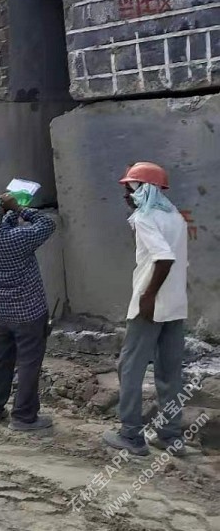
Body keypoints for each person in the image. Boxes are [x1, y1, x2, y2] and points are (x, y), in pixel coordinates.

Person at [103, 162, 189, 457]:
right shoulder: (175, 217)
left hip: (150, 306)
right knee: (169, 372)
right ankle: (170, 435)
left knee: (129, 367)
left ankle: (131, 435)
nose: (126, 195)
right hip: (176, 304)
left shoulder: (145, 218)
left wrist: (148, 296)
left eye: (129, 188)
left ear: (142, 189)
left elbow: (163, 259)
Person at [0, 192, 57, 430]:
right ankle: (24, 416)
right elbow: (47, 223)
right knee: (28, 363)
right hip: (28, 312)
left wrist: (5, 214)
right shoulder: (18, 239)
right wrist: (18, 208)